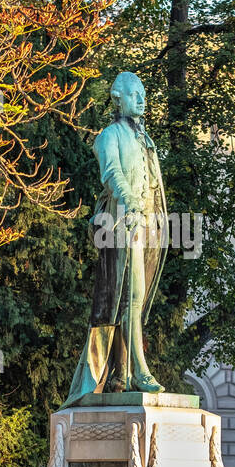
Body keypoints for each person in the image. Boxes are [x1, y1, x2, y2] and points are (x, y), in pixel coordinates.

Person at [64, 72, 167, 406]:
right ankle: (139, 371)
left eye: (143, 94)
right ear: (118, 98)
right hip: (122, 221)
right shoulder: (109, 136)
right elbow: (111, 174)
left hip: (148, 225)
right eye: (134, 94)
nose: (142, 100)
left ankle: (120, 376)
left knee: (134, 299)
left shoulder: (145, 139)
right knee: (130, 297)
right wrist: (131, 200)